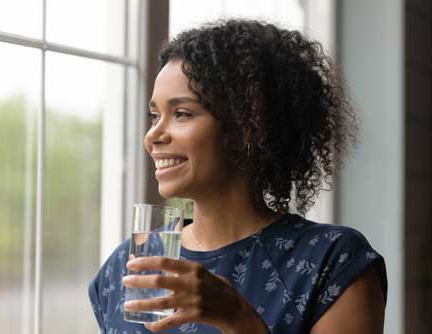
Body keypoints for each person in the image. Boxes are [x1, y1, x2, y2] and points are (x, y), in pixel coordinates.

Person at [88, 18, 387, 334]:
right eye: (154, 116)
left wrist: (238, 317)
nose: (153, 136)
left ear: (248, 127)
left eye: (182, 114)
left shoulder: (333, 262)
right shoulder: (127, 265)